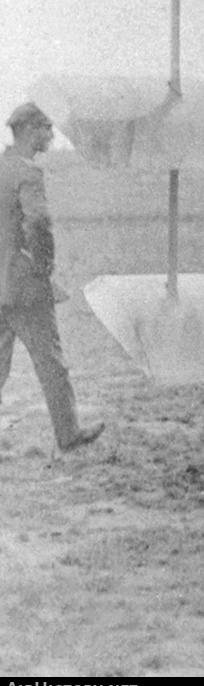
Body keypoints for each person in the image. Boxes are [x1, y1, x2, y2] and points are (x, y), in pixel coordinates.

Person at [0, 103, 105, 452]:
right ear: (31, 130)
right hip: (25, 289)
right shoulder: (28, 174)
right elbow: (38, 224)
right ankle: (69, 434)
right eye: (47, 127)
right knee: (51, 364)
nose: (52, 134)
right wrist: (44, 268)